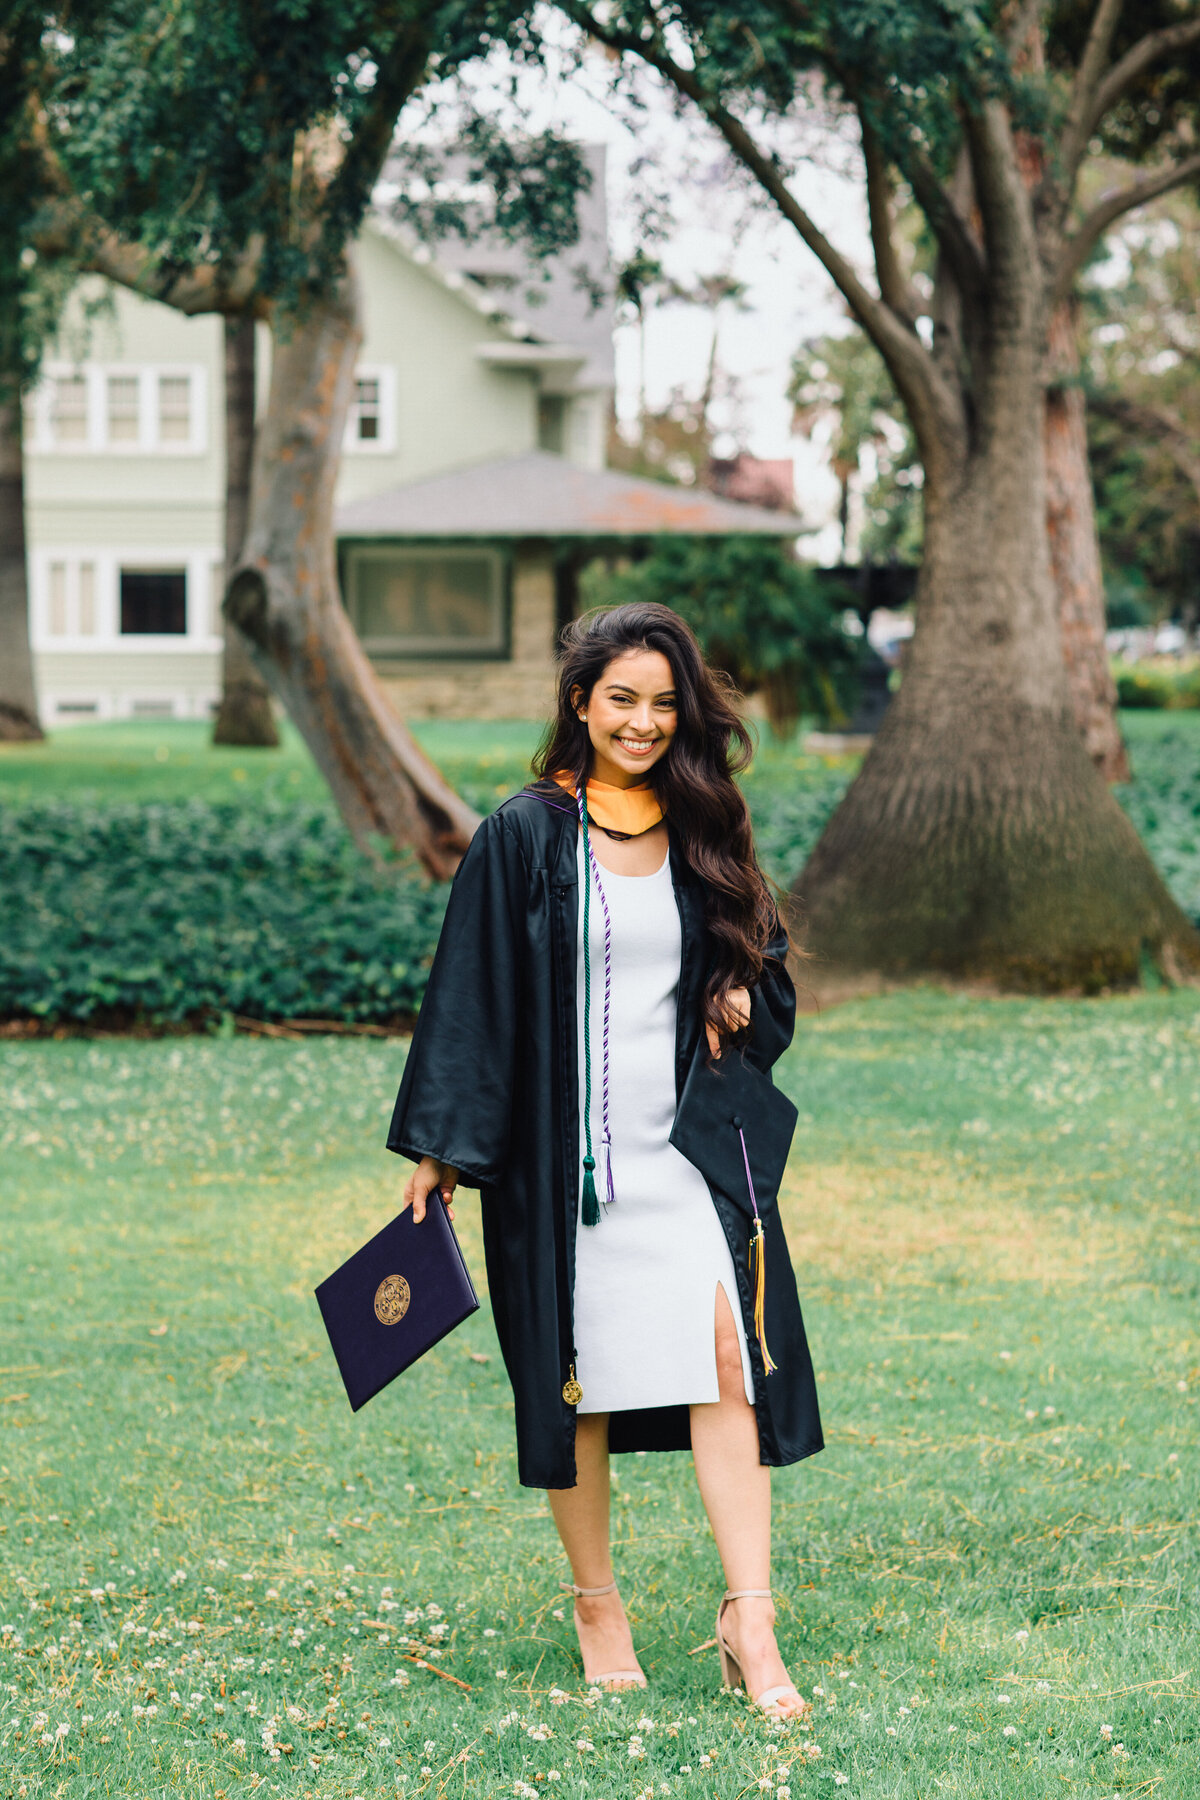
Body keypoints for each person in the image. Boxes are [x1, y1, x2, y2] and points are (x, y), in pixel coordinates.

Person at [387, 603, 822, 1718]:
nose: (642, 721)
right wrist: (439, 1147)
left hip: (686, 1152)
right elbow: (471, 990)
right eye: (621, 698)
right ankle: (597, 1604)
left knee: (729, 1360)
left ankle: (750, 1617)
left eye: (664, 702)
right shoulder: (527, 833)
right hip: (560, 1161)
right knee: (572, 1380)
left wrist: (736, 985)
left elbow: (761, 959)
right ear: (580, 701)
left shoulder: (702, 822)